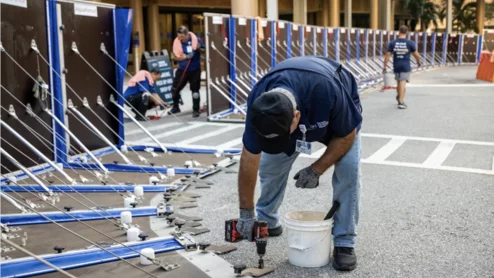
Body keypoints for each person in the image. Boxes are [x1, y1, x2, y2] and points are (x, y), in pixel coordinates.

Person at [236, 56, 363, 272]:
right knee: (270, 166)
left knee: (349, 171)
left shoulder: (327, 90)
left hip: (334, 119)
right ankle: (267, 219)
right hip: (292, 117)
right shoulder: (260, 104)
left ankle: (344, 241)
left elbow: (347, 135)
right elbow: (249, 158)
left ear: (296, 117)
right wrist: (246, 213)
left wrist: (317, 169)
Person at [168, 26, 204, 118]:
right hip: (182, 68)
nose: (181, 39)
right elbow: (175, 57)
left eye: (182, 37)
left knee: (195, 91)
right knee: (174, 89)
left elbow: (204, 51)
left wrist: (200, 48)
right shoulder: (177, 42)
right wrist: (186, 57)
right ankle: (176, 107)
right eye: (179, 37)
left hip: (195, 69)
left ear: (187, 34)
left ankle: (196, 110)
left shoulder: (196, 40)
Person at [383, 25, 422, 109]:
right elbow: (416, 54)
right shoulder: (410, 43)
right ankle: (400, 102)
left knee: (398, 82)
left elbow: (387, 55)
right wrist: (419, 61)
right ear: (407, 32)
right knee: (402, 83)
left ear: (399, 32)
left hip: (396, 65)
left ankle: (399, 96)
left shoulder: (393, 43)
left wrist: (384, 66)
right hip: (405, 66)